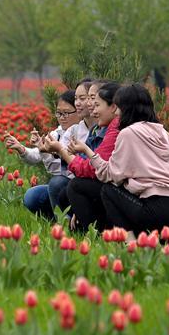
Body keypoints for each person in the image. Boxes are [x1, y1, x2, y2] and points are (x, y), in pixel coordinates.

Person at [70, 83, 169, 235]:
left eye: (118, 107)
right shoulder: (162, 132)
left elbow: (111, 175)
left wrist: (88, 152)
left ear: (127, 108)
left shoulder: (128, 133)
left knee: (108, 191)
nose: (117, 113)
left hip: (156, 209)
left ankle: (128, 241)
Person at [47, 80, 121, 231]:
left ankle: (96, 232)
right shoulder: (96, 130)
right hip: (99, 181)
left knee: (69, 187)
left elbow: (92, 169)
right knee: (54, 192)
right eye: (78, 98)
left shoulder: (116, 129)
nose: (89, 103)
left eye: (92, 98)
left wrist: (61, 151)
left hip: (125, 190)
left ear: (113, 105)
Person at [4, 90, 81, 220]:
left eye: (66, 113)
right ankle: (57, 219)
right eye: (59, 113)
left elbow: (60, 168)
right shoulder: (57, 133)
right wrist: (21, 148)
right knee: (32, 196)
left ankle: (65, 224)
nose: (62, 117)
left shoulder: (82, 133)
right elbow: (36, 156)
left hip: (75, 186)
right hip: (60, 187)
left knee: (57, 182)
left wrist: (47, 152)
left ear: (79, 110)